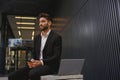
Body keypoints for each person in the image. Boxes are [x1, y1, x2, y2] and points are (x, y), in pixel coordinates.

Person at [8, 13, 62, 80]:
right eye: (39, 22)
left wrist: (41, 62)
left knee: (32, 73)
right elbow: (33, 53)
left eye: (43, 21)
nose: (40, 24)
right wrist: (32, 60)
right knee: (12, 76)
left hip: (49, 66)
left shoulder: (56, 37)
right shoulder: (37, 38)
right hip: (36, 66)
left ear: (49, 23)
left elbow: (56, 56)